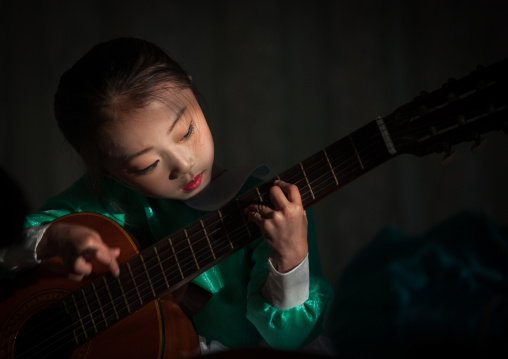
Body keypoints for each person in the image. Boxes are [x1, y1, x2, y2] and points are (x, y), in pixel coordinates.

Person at [0, 37, 333, 355]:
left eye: (186, 132)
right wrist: (53, 238)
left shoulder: (275, 210)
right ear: (106, 170)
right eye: (147, 165)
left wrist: (290, 261)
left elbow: (289, 341)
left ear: (190, 87)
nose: (184, 164)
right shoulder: (105, 202)